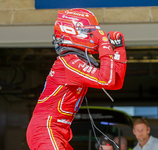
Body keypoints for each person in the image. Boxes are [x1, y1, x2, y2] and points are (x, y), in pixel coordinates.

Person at [26, 8, 127, 150]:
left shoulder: (75, 61)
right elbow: (107, 80)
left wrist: (118, 51)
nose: (95, 35)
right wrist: (104, 43)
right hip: (46, 129)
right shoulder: (69, 62)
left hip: (60, 131)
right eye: (90, 32)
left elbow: (114, 83)